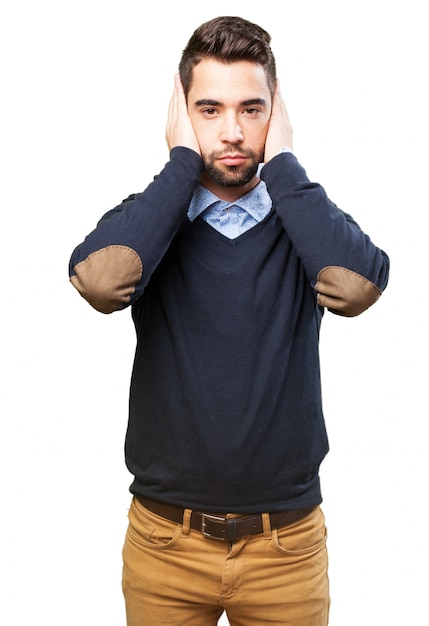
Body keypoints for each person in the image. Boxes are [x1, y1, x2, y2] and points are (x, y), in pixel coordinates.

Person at [69, 15, 389, 626]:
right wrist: (180, 164)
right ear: (181, 116)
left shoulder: (304, 223)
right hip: (165, 545)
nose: (234, 131)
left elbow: (354, 287)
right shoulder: (156, 222)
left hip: (285, 551)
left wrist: (287, 163)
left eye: (252, 109)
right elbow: (102, 282)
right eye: (209, 110)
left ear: (278, 114)